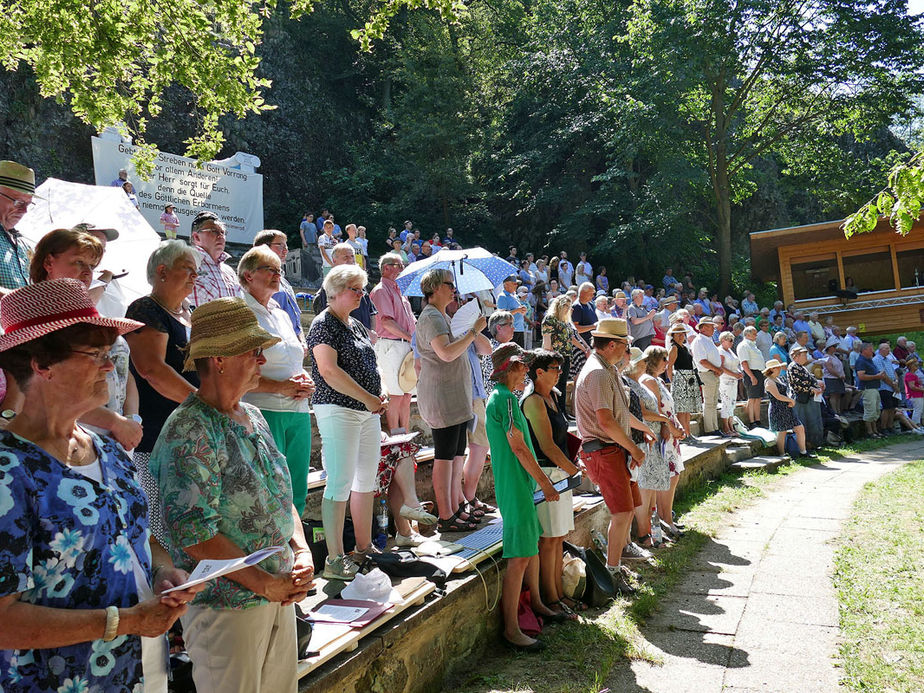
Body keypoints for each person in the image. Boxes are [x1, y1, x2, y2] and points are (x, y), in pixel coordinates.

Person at [0, 279, 201, 692]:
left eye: (109, 354)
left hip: (140, 672)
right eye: (95, 354)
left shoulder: (108, 450)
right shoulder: (8, 470)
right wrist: (125, 622)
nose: (110, 367)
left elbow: (138, 539)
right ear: (41, 365)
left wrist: (164, 571)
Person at [151, 297, 314, 692]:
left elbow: (280, 495)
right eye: (253, 351)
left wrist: (302, 549)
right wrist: (263, 583)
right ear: (219, 359)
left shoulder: (252, 414)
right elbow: (195, 534)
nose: (262, 360)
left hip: (274, 594)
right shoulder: (190, 429)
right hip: (226, 606)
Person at [29, 227, 143, 452]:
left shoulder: (93, 318)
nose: (87, 272)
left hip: (113, 440)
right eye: (79, 262)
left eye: (92, 266)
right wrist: (114, 422)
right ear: (49, 263)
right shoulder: (33, 323)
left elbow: (123, 372)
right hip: (63, 441)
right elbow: (42, 394)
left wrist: (132, 419)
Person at [309, 265, 387, 580]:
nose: (361, 294)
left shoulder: (354, 324)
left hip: (367, 412)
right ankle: (334, 558)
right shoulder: (323, 324)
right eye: (355, 289)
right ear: (337, 290)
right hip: (338, 409)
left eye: (361, 288)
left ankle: (364, 547)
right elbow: (328, 371)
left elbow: (369, 363)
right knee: (340, 481)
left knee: (366, 480)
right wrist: (367, 398)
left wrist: (377, 393)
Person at [486, 343, 565, 650]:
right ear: (509, 368)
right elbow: (518, 446)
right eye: (522, 367)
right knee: (518, 558)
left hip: (520, 486)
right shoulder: (504, 399)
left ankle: (537, 606)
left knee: (529, 549)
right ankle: (511, 629)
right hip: (517, 487)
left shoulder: (507, 398)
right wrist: (544, 482)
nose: (527, 372)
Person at [124, 241, 202, 544]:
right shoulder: (145, 308)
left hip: (189, 431)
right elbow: (151, 370)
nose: (195, 277)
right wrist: (203, 403)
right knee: (160, 524)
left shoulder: (190, 313)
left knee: (190, 518)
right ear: (162, 271)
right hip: (157, 436)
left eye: (197, 272)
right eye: (188, 270)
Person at [574, 318, 651, 594]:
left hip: (613, 449)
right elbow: (606, 422)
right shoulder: (598, 373)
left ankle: (617, 565)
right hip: (604, 450)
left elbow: (619, 414)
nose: (626, 350)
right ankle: (613, 571)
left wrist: (641, 432)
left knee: (627, 509)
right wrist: (634, 448)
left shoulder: (608, 369)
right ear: (611, 345)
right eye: (624, 345)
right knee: (622, 513)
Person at [239, 246, 316, 515]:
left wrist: (306, 382)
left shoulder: (282, 314)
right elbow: (238, 372)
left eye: (278, 270)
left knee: (297, 487)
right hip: (264, 410)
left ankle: (297, 552)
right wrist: (281, 387)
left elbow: (293, 360)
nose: (276, 274)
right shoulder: (241, 312)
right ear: (248, 275)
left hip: (298, 410)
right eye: (268, 269)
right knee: (270, 488)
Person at [416, 268, 487, 531]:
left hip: (456, 397)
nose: (453, 288)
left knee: (457, 454)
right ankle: (446, 515)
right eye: (449, 284)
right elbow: (445, 354)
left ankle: (457, 507)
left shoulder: (443, 315)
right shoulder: (431, 317)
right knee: (445, 456)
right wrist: (473, 333)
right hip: (442, 398)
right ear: (435, 288)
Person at [520, 349, 580, 612]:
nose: (559, 373)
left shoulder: (553, 396)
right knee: (548, 539)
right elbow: (546, 446)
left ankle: (559, 595)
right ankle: (551, 598)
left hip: (560, 473)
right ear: (539, 372)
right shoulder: (533, 400)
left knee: (558, 537)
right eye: (554, 368)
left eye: (560, 368)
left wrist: (570, 468)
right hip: (547, 474)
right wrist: (574, 470)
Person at [625, 347, 679, 549]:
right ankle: (644, 534)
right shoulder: (630, 384)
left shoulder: (640, 383)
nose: (643, 364)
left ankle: (652, 532)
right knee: (645, 489)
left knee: (651, 490)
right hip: (643, 439)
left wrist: (664, 423)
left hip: (653, 440)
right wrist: (664, 420)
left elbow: (653, 409)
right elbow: (642, 413)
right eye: (640, 362)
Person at [370, 252, 416, 433]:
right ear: (386, 268)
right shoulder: (382, 290)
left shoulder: (400, 292)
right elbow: (387, 322)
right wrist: (411, 337)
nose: (403, 269)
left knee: (406, 395)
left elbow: (411, 320)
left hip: (404, 344)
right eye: (399, 265)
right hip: (391, 345)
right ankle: (397, 439)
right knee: (396, 395)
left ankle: (404, 435)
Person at [253, 229, 306, 344]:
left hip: (292, 345)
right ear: (264, 247)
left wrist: (301, 339)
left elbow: (295, 317)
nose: (286, 250)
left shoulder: (285, 282)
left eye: (286, 245)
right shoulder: (256, 280)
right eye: (280, 245)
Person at [313, 243, 376, 330]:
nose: (350, 260)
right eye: (345, 257)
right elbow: (330, 318)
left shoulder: (360, 284)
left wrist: (372, 333)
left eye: (352, 256)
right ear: (334, 260)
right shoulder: (330, 286)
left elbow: (372, 312)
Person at [187, 211, 241, 308]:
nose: (220, 236)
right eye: (214, 231)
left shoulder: (229, 271)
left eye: (223, 232)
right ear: (196, 237)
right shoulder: (186, 265)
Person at [763, 359, 813, 458]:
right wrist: (790, 400)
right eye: (778, 367)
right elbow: (777, 396)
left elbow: (786, 393)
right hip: (778, 408)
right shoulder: (769, 381)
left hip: (786, 407)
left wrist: (790, 400)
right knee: (782, 431)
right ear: (772, 369)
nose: (780, 369)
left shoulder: (779, 379)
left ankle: (803, 452)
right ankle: (782, 454)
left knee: (799, 428)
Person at [0, 160, 35, 293]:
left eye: (28, 204)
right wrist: (20, 303)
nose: (24, 210)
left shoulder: (24, 244)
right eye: (19, 202)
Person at [667, 321, 700, 439]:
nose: (681, 336)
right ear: (673, 336)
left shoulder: (684, 347)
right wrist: (673, 381)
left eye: (682, 334)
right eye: (678, 334)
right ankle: (683, 435)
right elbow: (669, 366)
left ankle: (688, 433)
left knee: (687, 409)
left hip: (689, 378)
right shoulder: (674, 348)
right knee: (682, 409)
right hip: (680, 378)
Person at [788, 345, 824, 450]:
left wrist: (818, 384)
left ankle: (813, 444)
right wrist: (812, 389)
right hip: (800, 401)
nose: (806, 357)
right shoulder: (793, 367)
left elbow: (811, 379)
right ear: (796, 356)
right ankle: (805, 446)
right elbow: (798, 385)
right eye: (804, 355)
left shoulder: (802, 367)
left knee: (812, 422)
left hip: (808, 399)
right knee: (803, 423)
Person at [691, 318, 722, 436]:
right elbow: (702, 361)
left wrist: (717, 369)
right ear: (702, 328)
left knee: (713, 402)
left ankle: (715, 428)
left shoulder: (707, 340)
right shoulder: (699, 341)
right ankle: (710, 429)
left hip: (712, 373)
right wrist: (717, 369)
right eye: (710, 326)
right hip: (706, 373)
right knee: (710, 402)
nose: (713, 329)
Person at [736, 325, 766, 428]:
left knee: (758, 398)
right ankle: (752, 421)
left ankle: (757, 420)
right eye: (754, 333)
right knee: (752, 398)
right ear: (747, 334)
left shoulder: (753, 345)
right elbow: (744, 363)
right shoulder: (743, 345)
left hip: (758, 372)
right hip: (751, 373)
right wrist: (752, 376)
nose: (756, 335)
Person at [718, 330, 742, 435]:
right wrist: (734, 374)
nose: (732, 342)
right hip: (725, 380)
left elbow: (735, 364)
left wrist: (738, 372)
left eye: (733, 340)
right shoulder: (721, 351)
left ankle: (731, 427)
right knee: (726, 403)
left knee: (732, 403)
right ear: (723, 340)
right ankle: (726, 428)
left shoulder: (730, 351)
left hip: (733, 380)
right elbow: (721, 367)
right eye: (730, 340)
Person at [497, 275, 528, 346]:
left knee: (519, 354)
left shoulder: (514, 296)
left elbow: (518, 311)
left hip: (519, 328)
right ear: (506, 284)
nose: (516, 285)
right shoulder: (502, 296)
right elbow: (501, 315)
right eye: (514, 283)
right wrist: (517, 310)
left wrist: (522, 310)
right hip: (510, 331)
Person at [904, 355, 924, 426]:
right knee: (917, 410)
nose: (917, 366)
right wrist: (922, 389)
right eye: (915, 365)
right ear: (911, 366)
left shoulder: (914, 375)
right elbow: (912, 387)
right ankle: (915, 425)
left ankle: (920, 424)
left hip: (919, 395)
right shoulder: (910, 375)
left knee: (920, 410)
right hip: (915, 395)